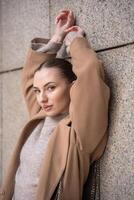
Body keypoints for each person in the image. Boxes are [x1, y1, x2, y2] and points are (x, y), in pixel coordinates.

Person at [0, 10, 110, 200]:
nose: (41, 98)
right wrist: (57, 38)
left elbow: (90, 73)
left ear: (72, 87)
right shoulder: (40, 115)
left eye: (50, 88)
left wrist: (74, 42)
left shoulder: (78, 132)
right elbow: (30, 78)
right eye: (37, 90)